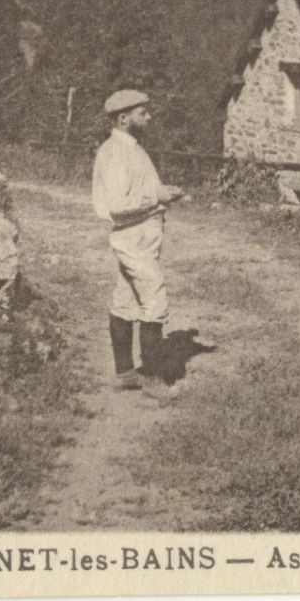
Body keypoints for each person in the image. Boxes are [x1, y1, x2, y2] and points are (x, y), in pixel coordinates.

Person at [92, 89, 185, 399]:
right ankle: (155, 380)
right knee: (154, 298)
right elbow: (118, 204)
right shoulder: (115, 152)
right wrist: (155, 198)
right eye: (142, 113)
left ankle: (124, 373)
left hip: (142, 233)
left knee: (125, 298)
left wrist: (162, 192)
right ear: (123, 118)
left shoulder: (132, 149)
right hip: (132, 235)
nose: (149, 117)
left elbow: (139, 189)